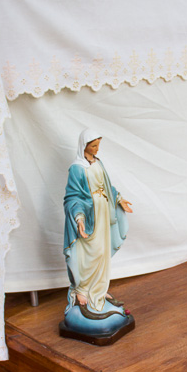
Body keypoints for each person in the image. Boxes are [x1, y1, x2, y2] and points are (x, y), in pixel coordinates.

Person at [63, 128, 132, 316]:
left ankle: (99, 290)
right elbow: (73, 197)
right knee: (88, 254)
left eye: (98, 145)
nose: (97, 149)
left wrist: (119, 199)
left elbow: (107, 186)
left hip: (103, 214)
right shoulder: (77, 168)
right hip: (90, 216)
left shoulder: (98, 162)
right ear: (84, 145)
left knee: (101, 252)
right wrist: (79, 218)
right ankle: (82, 289)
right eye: (93, 146)